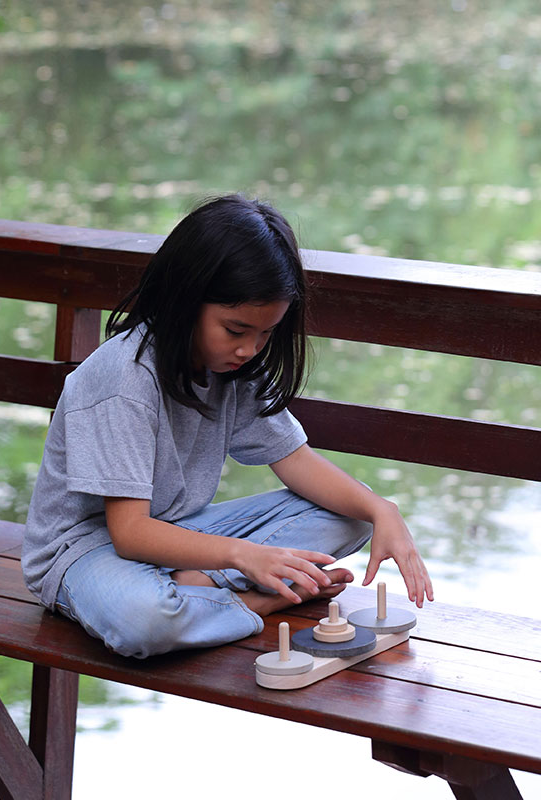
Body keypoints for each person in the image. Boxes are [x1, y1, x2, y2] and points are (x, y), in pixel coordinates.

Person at [22, 194, 433, 658]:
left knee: (351, 511)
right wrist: (243, 556)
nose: (250, 349)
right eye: (235, 330)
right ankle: (255, 601)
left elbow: (296, 461)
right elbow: (130, 533)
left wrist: (382, 511)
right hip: (85, 550)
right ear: (185, 301)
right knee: (144, 620)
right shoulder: (124, 378)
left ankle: (193, 586)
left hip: (177, 529)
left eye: (266, 333)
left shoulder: (232, 369)